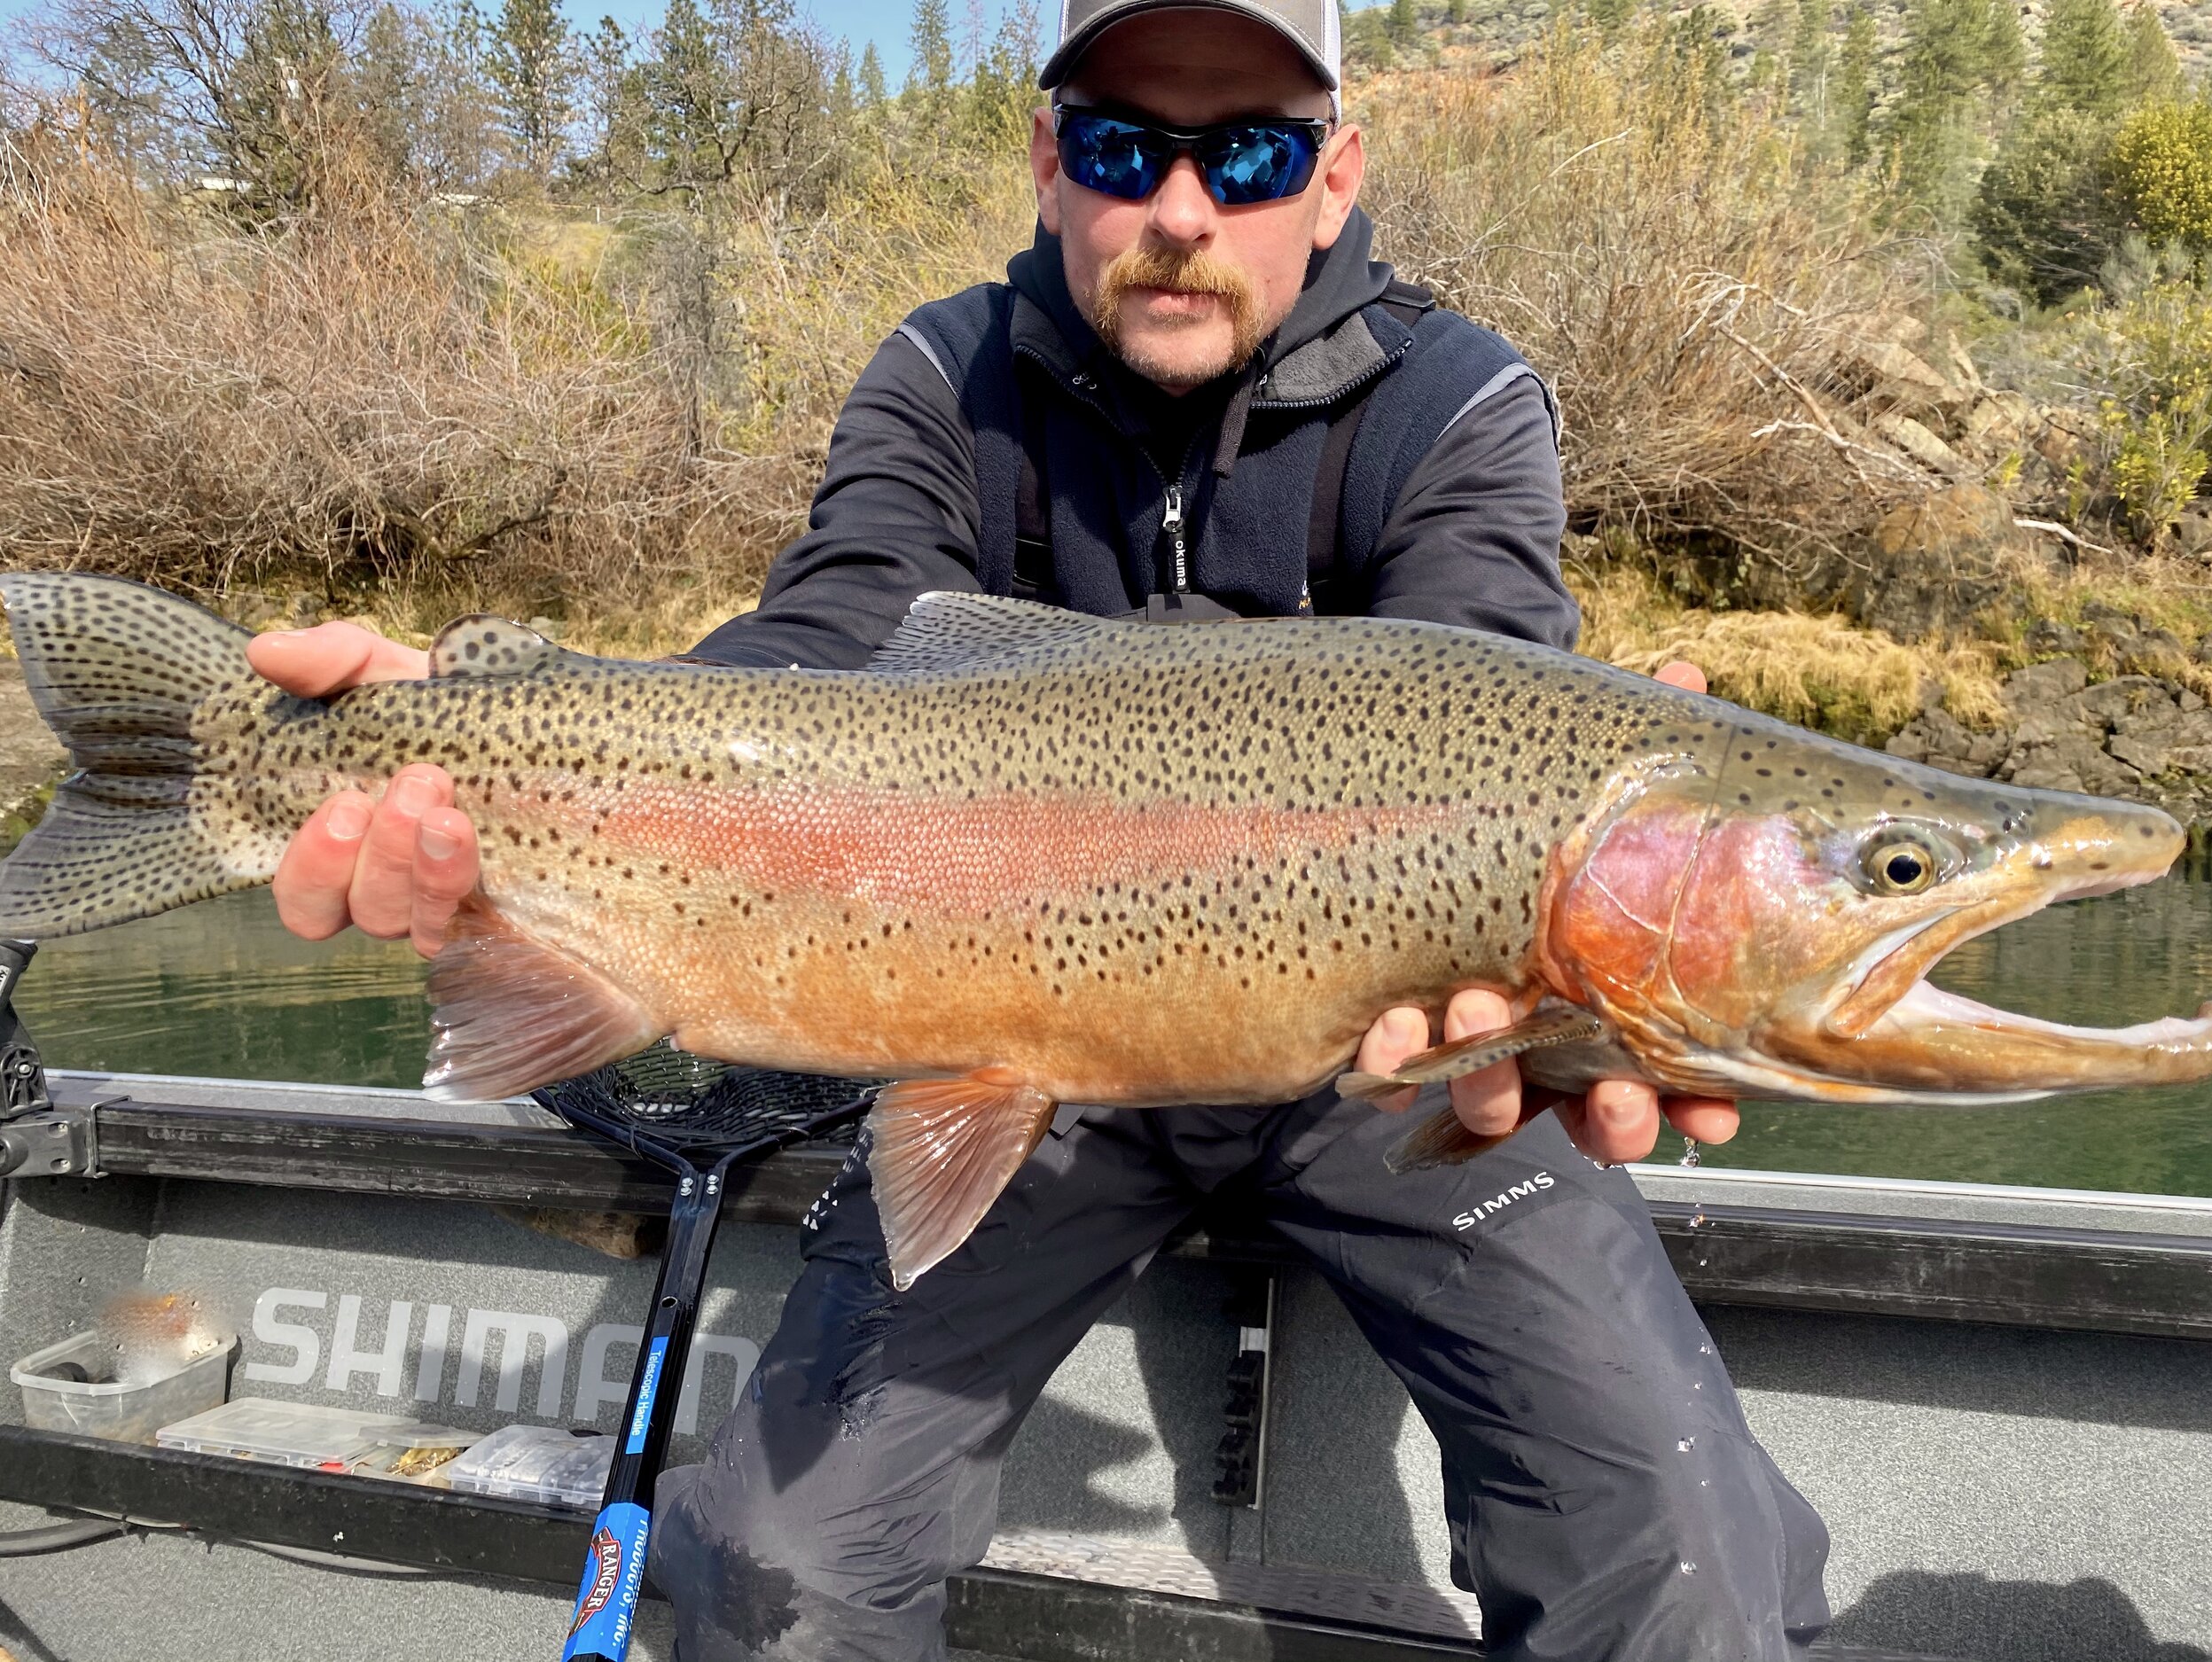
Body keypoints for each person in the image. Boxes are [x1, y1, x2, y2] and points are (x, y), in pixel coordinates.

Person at [248, 0, 1833, 1654]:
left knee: (1685, 1559)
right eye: (1122, 144)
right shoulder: (950, 375)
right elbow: (822, 647)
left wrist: (1613, 969)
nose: (1181, 208)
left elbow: (1503, 701)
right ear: (1047, 159)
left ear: (1338, 174)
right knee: (770, 1564)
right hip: (1008, 1040)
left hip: (1400, 1062)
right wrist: (489, 740)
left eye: (1255, 154)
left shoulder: (1458, 400)